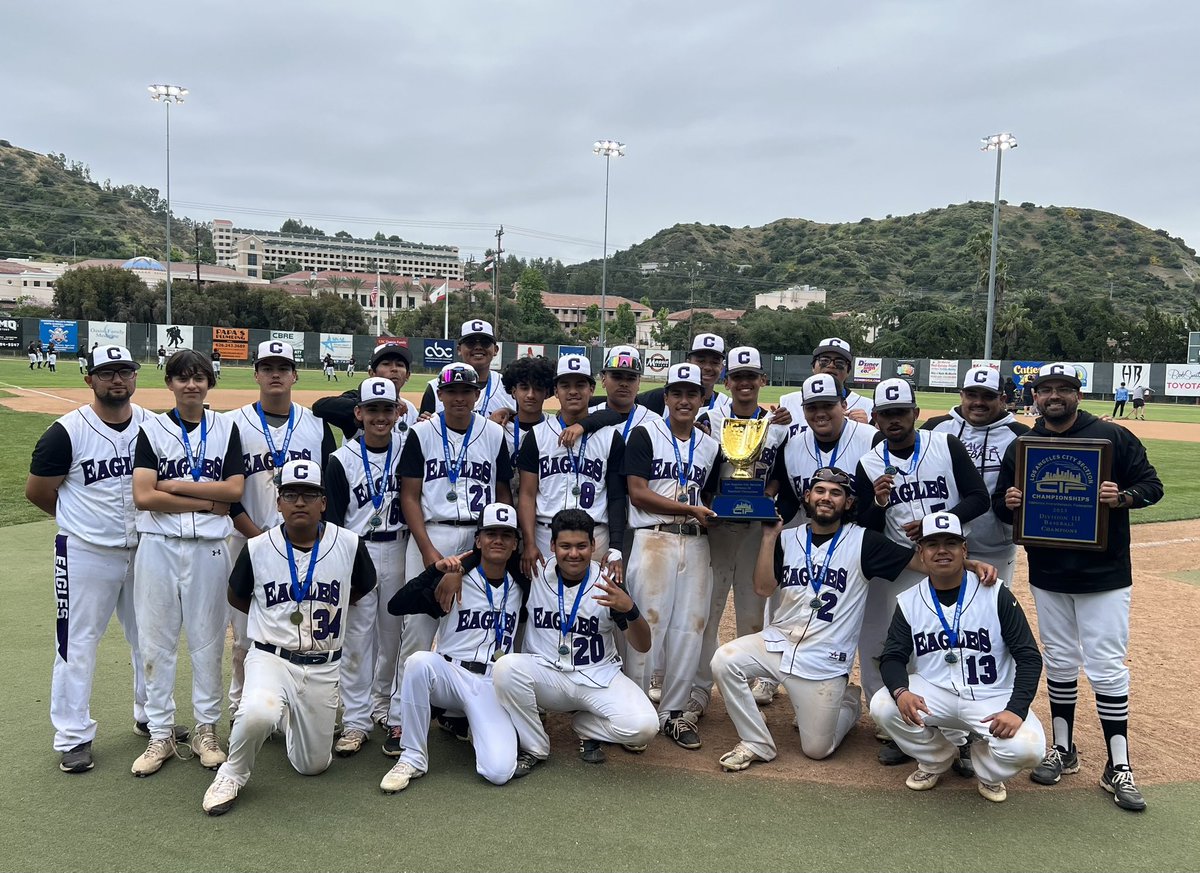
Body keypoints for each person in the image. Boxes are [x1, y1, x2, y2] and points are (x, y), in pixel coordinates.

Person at [713, 470, 999, 771]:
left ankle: (848, 701)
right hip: (778, 642)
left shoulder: (864, 541)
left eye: (835, 493)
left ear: (848, 502)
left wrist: (969, 563)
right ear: (807, 497)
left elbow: (922, 562)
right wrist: (769, 537)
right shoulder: (787, 538)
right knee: (725, 660)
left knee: (817, 750)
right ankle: (756, 741)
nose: (826, 497)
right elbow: (762, 588)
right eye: (819, 490)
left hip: (823, 659)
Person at [994, 362, 1163, 812]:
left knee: (1106, 666)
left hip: (1103, 575)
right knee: (1061, 661)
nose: (1054, 396)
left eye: (1063, 389)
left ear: (1078, 395)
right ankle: (1064, 750)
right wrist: (1008, 503)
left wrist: (1122, 497)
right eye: (1045, 389)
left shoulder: (1112, 437)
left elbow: (1152, 486)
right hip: (1049, 572)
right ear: (1034, 397)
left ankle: (1118, 765)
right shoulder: (1023, 446)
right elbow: (1000, 505)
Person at [201, 459, 377, 815]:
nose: (300, 502)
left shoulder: (349, 543)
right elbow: (237, 596)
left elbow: (364, 585)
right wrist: (273, 619)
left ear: (323, 503)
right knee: (257, 713)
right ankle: (232, 773)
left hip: (324, 666)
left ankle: (289, 717)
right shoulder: (257, 547)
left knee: (313, 766)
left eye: (309, 495)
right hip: (272, 657)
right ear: (278, 502)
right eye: (291, 495)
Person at [25, 345, 152, 773]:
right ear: (90, 380)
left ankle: (151, 717)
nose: (117, 380)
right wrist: (81, 525)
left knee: (149, 639)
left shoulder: (153, 427)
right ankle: (73, 736)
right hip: (86, 553)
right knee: (76, 645)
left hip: (144, 551)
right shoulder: (65, 432)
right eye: (106, 373)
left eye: (124, 371)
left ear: (135, 377)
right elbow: (39, 492)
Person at [853, 377, 989, 767]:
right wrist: (877, 502)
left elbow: (979, 498)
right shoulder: (869, 462)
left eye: (901, 413)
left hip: (946, 561)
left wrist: (937, 523)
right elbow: (864, 525)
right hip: (897, 566)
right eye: (886, 415)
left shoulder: (944, 445)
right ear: (876, 419)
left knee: (951, 647)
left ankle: (959, 734)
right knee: (887, 647)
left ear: (915, 414)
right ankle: (901, 729)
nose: (894, 421)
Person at [870, 512, 1045, 803]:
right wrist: (901, 692)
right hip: (935, 691)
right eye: (932, 544)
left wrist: (1016, 709)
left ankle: (986, 770)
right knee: (883, 705)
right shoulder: (910, 601)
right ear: (921, 553)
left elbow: (1028, 656)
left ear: (964, 551)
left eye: (951, 543)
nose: (941, 550)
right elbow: (892, 657)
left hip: (991, 695)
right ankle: (936, 759)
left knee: (1029, 749)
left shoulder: (995, 593)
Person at [385, 362, 513, 753]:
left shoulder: (494, 434)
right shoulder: (422, 433)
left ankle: (456, 712)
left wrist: (492, 544)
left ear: (477, 395)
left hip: (479, 536)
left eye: (466, 390)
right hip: (433, 531)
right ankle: (400, 719)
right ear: (439, 394)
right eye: (451, 391)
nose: (459, 397)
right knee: (419, 631)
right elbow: (409, 495)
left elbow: (504, 492)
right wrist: (427, 550)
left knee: (468, 627)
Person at [130, 349, 244, 776]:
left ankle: (205, 729)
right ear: (170, 384)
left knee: (208, 640)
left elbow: (234, 491)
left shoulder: (225, 427)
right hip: (158, 545)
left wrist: (174, 485)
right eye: (182, 378)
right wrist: (203, 497)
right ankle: (160, 733)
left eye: (199, 377)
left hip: (209, 549)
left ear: (210, 382)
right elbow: (143, 496)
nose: (191, 385)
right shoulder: (152, 429)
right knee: (155, 640)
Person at [493, 509, 658, 773]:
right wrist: (458, 571)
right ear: (552, 546)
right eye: (565, 546)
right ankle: (534, 745)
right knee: (505, 668)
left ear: (594, 546)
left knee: (645, 727)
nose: (573, 554)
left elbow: (643, 645)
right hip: (547, 675)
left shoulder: (607, 582)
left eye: (582, 546)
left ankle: (584, 725)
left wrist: (631, 609)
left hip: (598, 676)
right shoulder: (534, 572)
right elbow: (490, 558)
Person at [224, 341, 337, 723]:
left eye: (283, 367)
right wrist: (257, 536)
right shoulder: (232, 423)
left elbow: (326, 491)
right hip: (247, 539)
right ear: (255, 373)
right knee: (243, 634)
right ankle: (241, 706)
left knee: (299, 628)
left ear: (295, 375)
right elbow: (228, 490)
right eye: (268, 366)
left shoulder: (316, 426)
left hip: (304, 546)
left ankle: (295, 706)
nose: (276, 374)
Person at [379, 503, 527, 793]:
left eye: (506, 535)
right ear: (478, 540)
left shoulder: (523, 584)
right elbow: (397, 605)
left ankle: (472, 725)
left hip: (491, 683)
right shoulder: (453, 579)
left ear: (514, 545)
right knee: (418, 662)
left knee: (498, 771)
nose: (498, 540)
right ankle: (412, 757)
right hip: (449, 672)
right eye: (490, 534)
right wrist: (436, 570)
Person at [622, 363, 721, 749]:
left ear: (702, 399)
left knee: (690, 627)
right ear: (666, 398)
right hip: (654, 539)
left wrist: (717, 514)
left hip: (696, 542)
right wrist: (691, 510)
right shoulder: (646, 434)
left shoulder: (711, 446)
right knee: (648, 624)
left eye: (691, 394)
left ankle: (674, 713)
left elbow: (709, 499)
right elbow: (638, 492)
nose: (684, 400)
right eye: (676, 393)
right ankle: (636, 708)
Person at [688, 346, 790, 717]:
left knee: (751, 613)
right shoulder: (708, 419)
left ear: (762, 380)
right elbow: (698, 470)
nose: (745, 383)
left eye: (752, 376)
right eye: (738, 377)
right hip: (718, 526)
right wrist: (712, 499)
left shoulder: (777, 424)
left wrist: (766, 496)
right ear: (726, 382)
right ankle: (699, 690)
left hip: (755, 528)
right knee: (708, 609)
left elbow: (780, 473)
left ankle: (742, 691)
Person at [322, 377, 407, 756]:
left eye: (386, 409)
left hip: (401, 547)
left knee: (393, 637)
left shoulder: (408, 449)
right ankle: (355, 721)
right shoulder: (341, 460)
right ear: (358, 414)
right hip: (358, 551)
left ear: (396, 412)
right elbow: (336, 521)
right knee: (357, 639)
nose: (379, 417)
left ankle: (384, 707)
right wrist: (343, 565)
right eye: (371, 410)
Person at [516, 355, 626, 581]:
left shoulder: (611, 437)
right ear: (556, 391)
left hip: (595, 538)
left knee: (595, 611)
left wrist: (616, 546)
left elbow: (616, 497)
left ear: (592, 389)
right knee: (543, 610)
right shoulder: (537, 436)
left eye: (580, 384)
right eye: (565, 385)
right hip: (546, 536)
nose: (573, 391)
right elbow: (526, 495)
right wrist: (528, 543)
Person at [921, 367, 1030, 586]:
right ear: (961, 395)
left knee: (990, 612)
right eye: (972, 395)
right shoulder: (935, 428)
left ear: (1003, 398)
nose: (978, 402)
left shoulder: (1020, 435)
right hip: (940, 542)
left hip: (994, 545)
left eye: (988, 396)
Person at [314, 342, 419, 443]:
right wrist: (367, 405)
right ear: (372, 373)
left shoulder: (410, 409)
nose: (394, 369)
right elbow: (320, 407)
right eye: (386, 364)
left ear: (407, 375)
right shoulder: (355, 397)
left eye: (400, 365)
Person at [419, 319, 515, 418]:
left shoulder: (509, 385)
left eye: (485, 342)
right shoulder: (436, 386)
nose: (478, 347)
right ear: (459, 350)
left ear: (495, 350)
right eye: (471, 342)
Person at [779, 337, 874, 425]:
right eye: (824, 360)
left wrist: (866, 429)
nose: (831, 365)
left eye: (839, 362)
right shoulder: (788, 402)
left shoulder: (868, 407)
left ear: (848, 370)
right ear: (813, 366)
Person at [498, 355, 554, 502]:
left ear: (547, 393)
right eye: (524, 388)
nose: (530, 395)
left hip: (543, 510)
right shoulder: (498, 428)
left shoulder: (556, 427)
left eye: (537, 388)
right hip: (505, 507)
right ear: (513, 391)